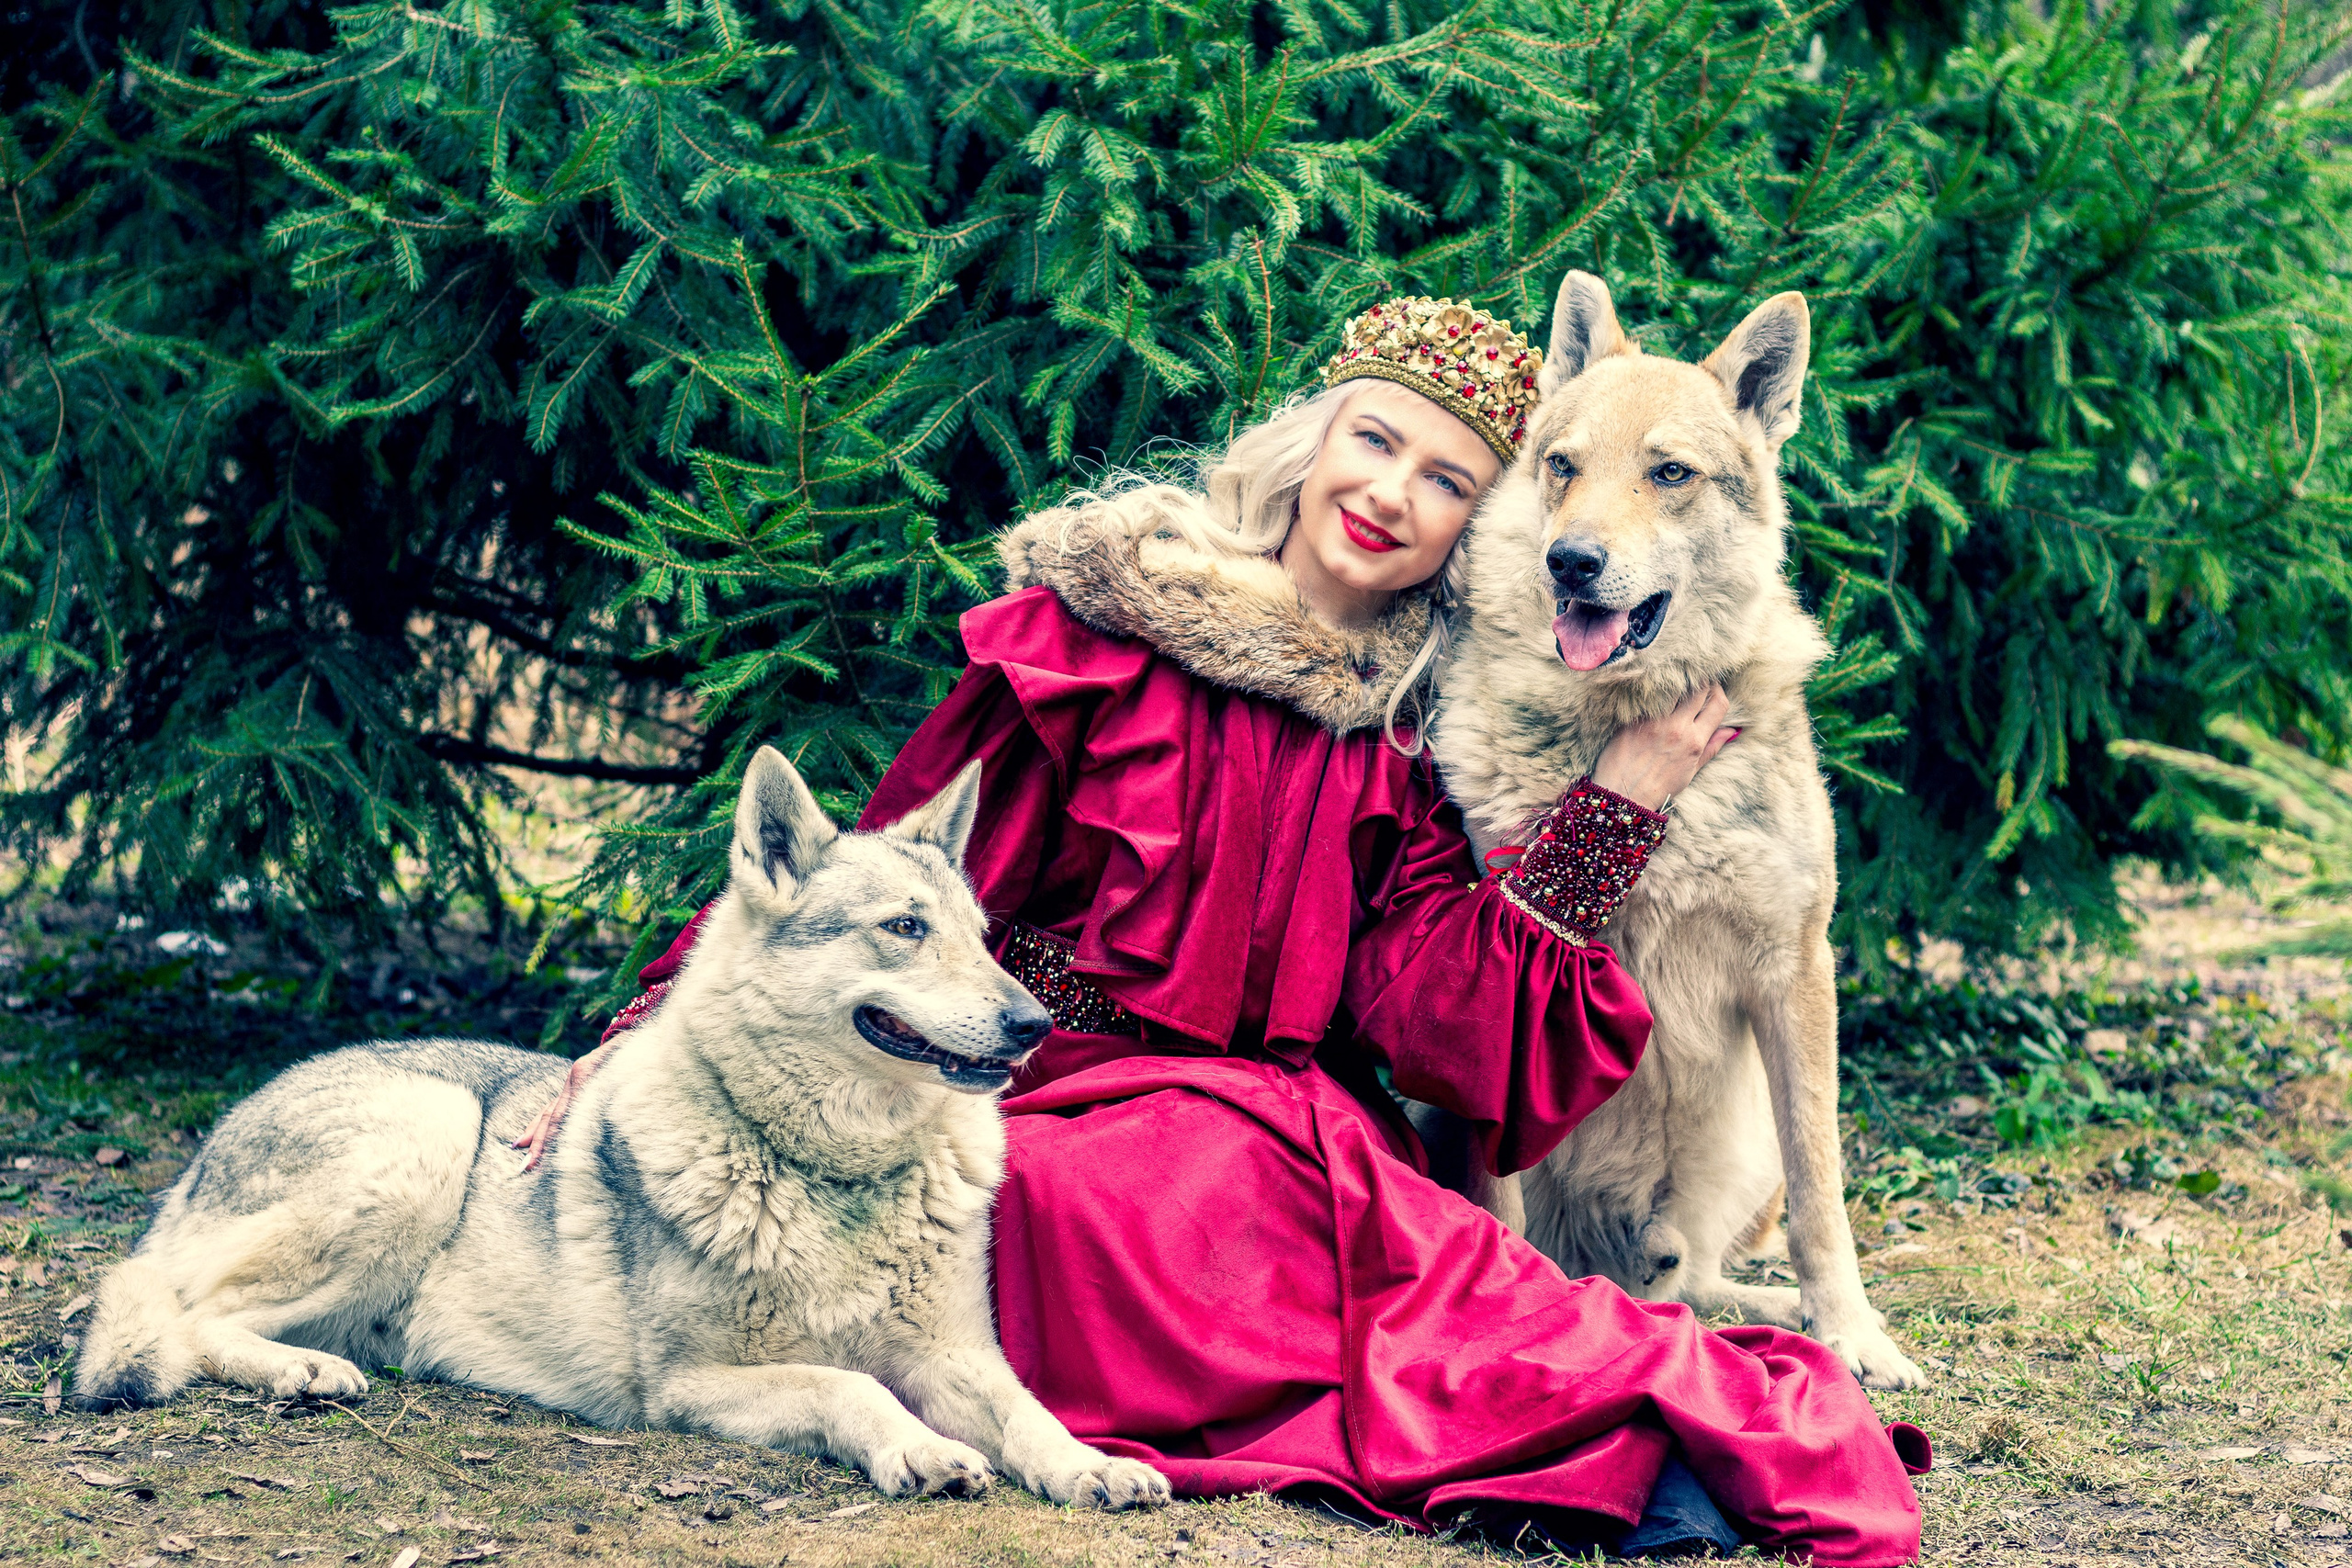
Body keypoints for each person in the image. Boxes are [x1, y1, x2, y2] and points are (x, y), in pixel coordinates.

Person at [522, 295, 1929, 1563]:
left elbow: (1445, 1019)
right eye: (1376, 443)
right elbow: (877, 882)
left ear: (1473, 527)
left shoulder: (1397, 742)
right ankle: (1590, 1464)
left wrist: (1612, 807)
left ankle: (1653, 1451)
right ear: (1317, 441)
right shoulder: (1091, 643)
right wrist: (641, 1038)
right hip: (1065, 1104)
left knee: (1437, 1263)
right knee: (1118, 1216)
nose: (1392, 494)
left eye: (1447, 482)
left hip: (1282, 1129)